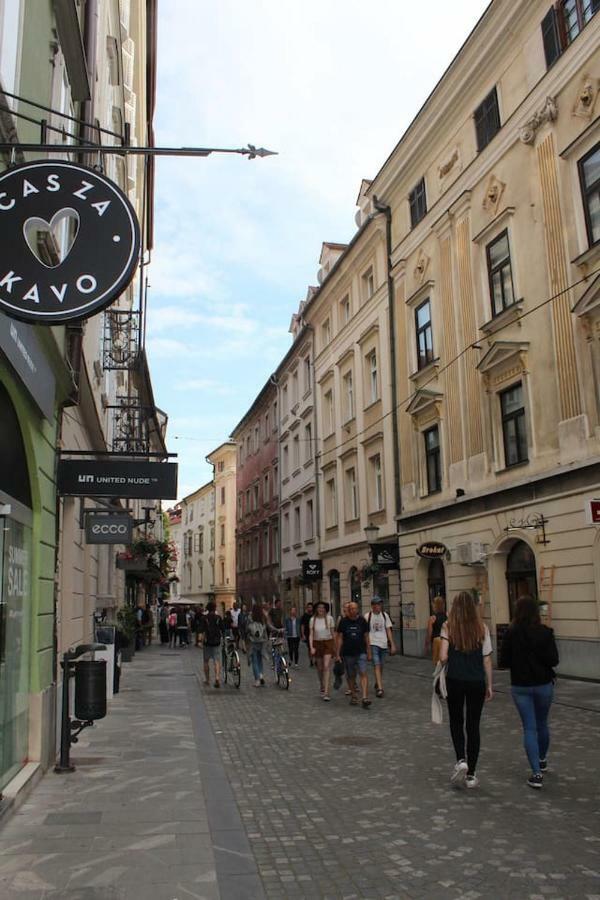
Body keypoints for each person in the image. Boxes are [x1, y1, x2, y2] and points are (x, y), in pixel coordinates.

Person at [499, 595, 559, 789]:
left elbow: (503, 662)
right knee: (542, 723)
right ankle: (542, 758)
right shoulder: (546, 632)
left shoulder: (511, 633)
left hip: (521, 686)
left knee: (529, 728)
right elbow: (554, 660)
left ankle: (536, 773)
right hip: (543, 684)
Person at [439, 591, 493, 789]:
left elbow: (444, 656)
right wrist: (489, 685)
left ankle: (461, 759)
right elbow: (487, 658)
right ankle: (471, 774)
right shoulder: (482, 628)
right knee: (473, 725)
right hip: (476, 680)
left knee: (456, 720)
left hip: (455, 679)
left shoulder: (448, 626)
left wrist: (442, 663)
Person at [336, 601, 371, 708]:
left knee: (363, 672)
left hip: (361, 651)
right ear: (348, 610)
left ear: (358, 609)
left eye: (355, 608)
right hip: (348, 653)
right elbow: (340, 638)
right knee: (351, 675)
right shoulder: (343, 622)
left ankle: (364, 697)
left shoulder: (362, 621)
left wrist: (369, 651)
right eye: (351, 609)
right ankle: (354, 695)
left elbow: (366, 636)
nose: (353, 610)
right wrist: (337, 653)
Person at [366, 597, 395, 698]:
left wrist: (392, 644)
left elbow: (388, 630)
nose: (378, 606)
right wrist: (367, 647)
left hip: (383, 643)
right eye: (376, 604)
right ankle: (380, 689)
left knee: (381, 665)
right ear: (372, 606)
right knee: (376, 664)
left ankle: (377, 682)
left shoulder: (384, 615)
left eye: (379, 604)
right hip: (373, 643)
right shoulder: (368, 616)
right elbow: (365, 633)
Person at [199, 601, 223, 687]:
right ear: (215, 608)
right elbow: (222, 629)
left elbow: (201, 630)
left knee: (206, 661)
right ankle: (217, 678)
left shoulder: (204, 618)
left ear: (207, 609)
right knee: (216, 661)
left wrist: (199, 641)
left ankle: (207, 679)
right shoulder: (218, 618)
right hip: (216, 642)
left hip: (207, 642)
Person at [246, 604, 268, 686]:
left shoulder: (250, 617)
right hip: (261, 641)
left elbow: (247, 628)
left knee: (254, 661)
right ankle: (261, 675)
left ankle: (257, 680)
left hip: (253, 641)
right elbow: (266, 627)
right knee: (260, 659)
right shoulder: (262, 617)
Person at [426, 596, 447, 663]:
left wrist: (427, 644)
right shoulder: (448, 616)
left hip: (436, 642)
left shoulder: (432, 618)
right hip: (446, 642)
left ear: (435, 606)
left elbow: (429, 633)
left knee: (438, 663)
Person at [300, 602, 314, 666]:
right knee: (309, 648)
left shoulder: (314, 615)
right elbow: (302, 625)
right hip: (308, 634)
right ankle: (311, 660)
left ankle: (315, 659)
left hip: (315, 634)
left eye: (310, 607)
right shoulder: (304, 616)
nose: (309, 608)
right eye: (308, 607)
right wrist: (303, 634)